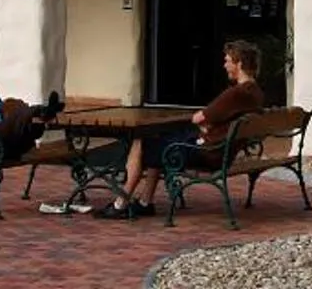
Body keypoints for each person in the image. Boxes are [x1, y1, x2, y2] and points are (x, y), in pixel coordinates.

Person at [106, 39, 265, 220]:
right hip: (220, 151)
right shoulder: (256, 93)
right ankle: (144, 202)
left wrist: (207, 123)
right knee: (159, 140)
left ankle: (121, 203)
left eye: (228, 61)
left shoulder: (236, 93)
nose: (224, 65)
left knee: (141, 141)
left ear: (240, 64)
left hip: (208, 153)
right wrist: (210, 124)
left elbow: (199, 117)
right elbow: (217, 118)